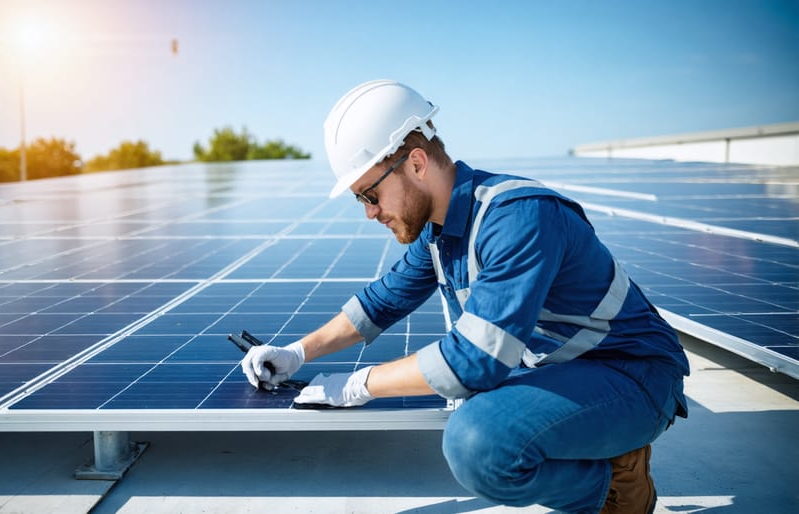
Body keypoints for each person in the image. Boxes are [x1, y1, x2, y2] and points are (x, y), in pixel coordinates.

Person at [241, 79, 689, 513]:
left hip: (633, 375)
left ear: (417, 163)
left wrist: (357, 386)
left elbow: (475, 359)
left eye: (371, 194)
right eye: (361, 199)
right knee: (473, 399)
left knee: (478, 443)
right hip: (566, 371)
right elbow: (382, 302)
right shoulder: (439, 231)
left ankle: (616, 486)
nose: (370, 212)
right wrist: (297, 352)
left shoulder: (517, 219)